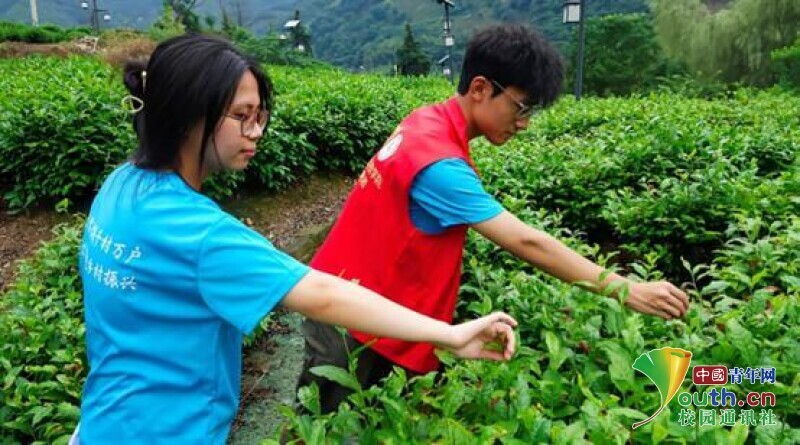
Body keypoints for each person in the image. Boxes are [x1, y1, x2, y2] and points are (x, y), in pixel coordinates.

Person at [71, 33, 519, 445]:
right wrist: (449, 334)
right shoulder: (201, 234)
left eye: (260, 116)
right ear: (188, 113)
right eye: (241, 116)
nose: (256, 131)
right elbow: (321, 294)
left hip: (101, 426)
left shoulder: (121, 184)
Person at [297, 23, 691, 414]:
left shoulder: (425, 121)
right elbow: (527, 242)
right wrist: (627, 290)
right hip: (350, 320)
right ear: (480, 88)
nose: (524, 123)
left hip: (357, 295)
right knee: (321, 427)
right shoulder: (439, 166)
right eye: (521, 107)